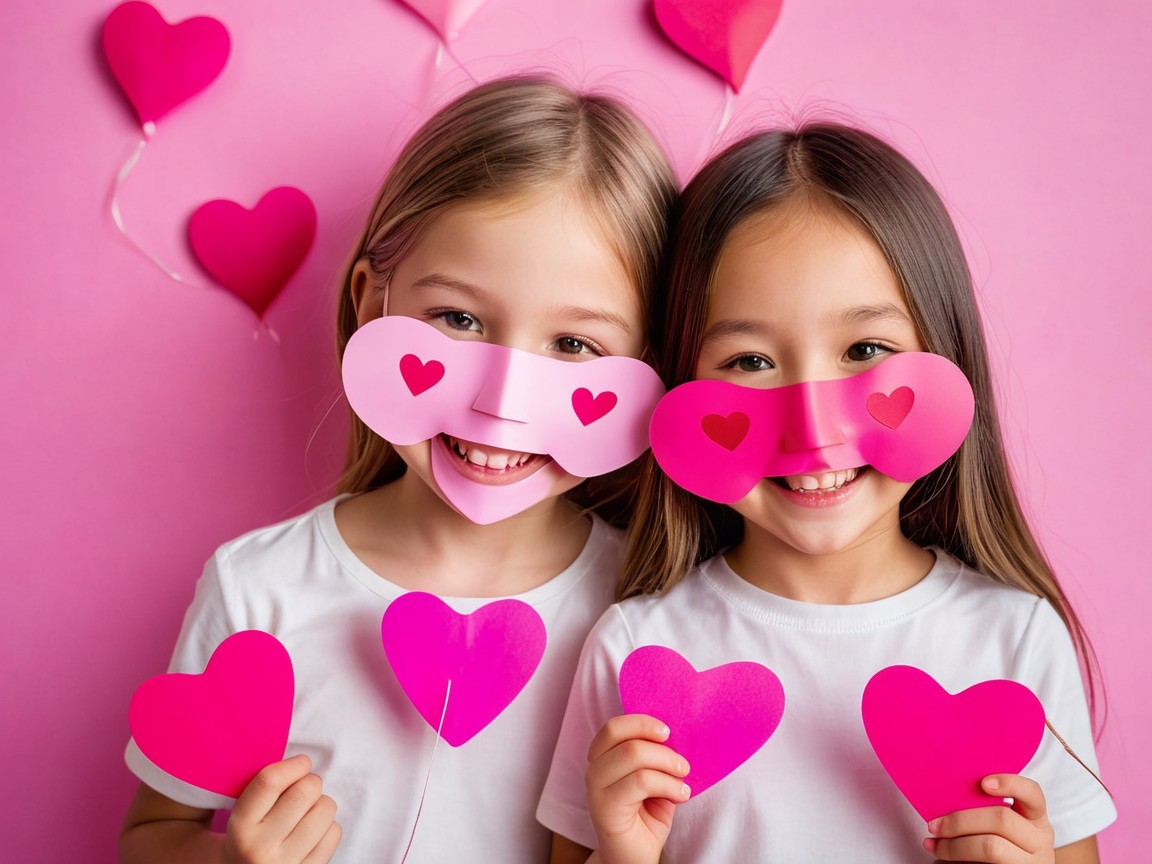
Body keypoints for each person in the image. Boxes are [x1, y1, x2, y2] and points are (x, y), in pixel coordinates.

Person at [119, 74, 676, 863]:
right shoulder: (261, 588)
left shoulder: (648, 614)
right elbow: (151, 835)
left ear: (649, 366)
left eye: (574, 345)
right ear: (369, 302)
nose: (500, 405)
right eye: (457, 319)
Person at [538, 124, 1117, 863]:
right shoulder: (635, 651)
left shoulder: (1017, 640)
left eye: (865, 351)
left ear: (946, 349)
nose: (811, 428)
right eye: (749, 360)